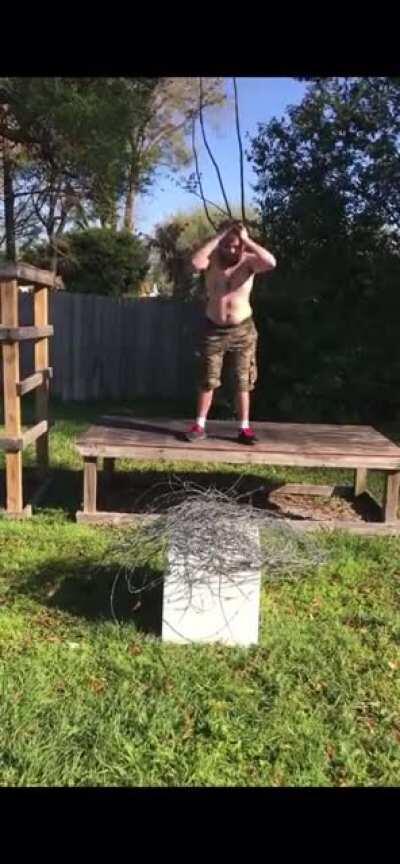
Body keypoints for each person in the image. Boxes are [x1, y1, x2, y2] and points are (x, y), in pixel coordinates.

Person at [186, 221, 276, 444]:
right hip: (213, 328)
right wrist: (219, 236)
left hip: (242, 330)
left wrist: (246, 239)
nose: (232, 250)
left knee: (242, 380)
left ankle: (244, 428)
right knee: (208, 379)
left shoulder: (249, 262)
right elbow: (195, 262)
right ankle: (199, 425)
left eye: (236, 246)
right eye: (227, 245)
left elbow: (271, 262)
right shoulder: (212, 260)